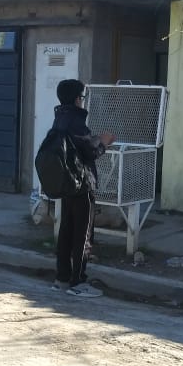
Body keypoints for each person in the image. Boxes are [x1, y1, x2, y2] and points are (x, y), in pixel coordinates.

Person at [51, 78, 115, 297]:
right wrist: (104, 142)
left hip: (68, 184)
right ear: (77, 99)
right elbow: (90, 151)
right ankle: (78, 282)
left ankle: (62, 279)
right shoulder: (76, 121)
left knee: (66, 231)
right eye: (82, 97)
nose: (83, 101)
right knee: (83, 235)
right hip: (82, 185)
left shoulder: (59, 118)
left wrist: (94, 140)